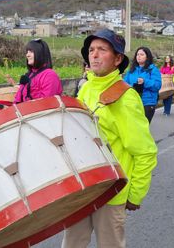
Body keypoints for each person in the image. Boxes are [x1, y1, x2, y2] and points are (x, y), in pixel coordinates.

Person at [62, 29, 157, 248]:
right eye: (91, 50)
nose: (94, 55)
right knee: (71, 244)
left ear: (117, 59)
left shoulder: (126, 97)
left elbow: (145, 152)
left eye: (102, 50)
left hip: (111, 193)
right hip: (82, 188)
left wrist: (134, 194)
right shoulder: (85, 89)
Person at [13, 39, 62, 103]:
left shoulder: (50, 75)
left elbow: (47, 102)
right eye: (27, 52)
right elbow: (18, 99)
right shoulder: (29, 75)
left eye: (31, 51)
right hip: (25, 111)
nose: (27, 55)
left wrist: (30, 88)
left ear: (40, 53)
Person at [124, 46, 162, 123]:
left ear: (147, 57)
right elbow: (124, 83)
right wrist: (131, 85)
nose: (139, 56)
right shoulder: (131, 70)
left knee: (143, 129)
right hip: (133, 102)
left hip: (147, 103)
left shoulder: (153, 69)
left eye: (142, 54)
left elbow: (157, 85)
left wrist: (145, 82)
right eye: (137, 54)